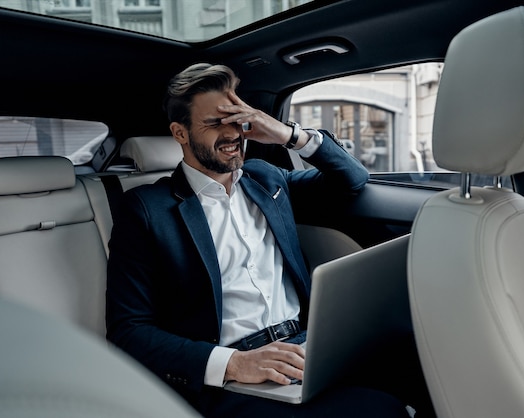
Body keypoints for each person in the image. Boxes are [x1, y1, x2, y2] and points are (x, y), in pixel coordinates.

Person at [106, 63, 411, 417]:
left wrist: (287, 135)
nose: (233, 132)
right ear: (180, 132)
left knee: (414, 361)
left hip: (306, 346)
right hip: (234, 374)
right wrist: (235, 364)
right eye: (214, 123)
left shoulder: (264, 178)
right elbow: (128, 331)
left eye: (237, 118)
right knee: (380, 410)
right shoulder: (145, 209)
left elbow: (353, 179)